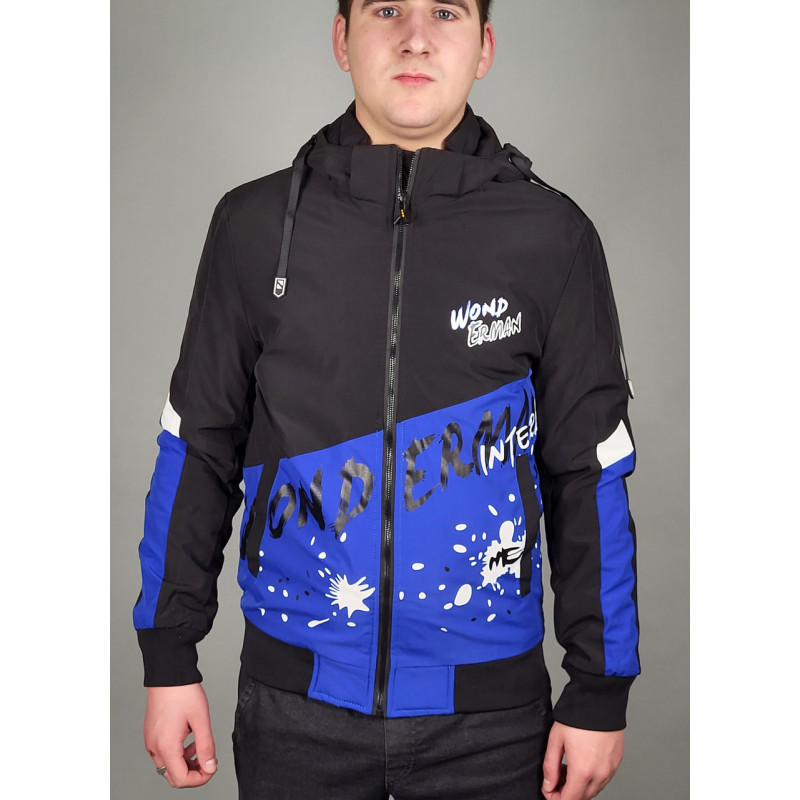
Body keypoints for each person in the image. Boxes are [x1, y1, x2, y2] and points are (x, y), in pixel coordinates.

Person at [133, 2, 640, 798]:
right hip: (295, 710)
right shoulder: (253, 226)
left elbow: (589, 471)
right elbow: (198, 446)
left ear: (484, 47)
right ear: (342, 38)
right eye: (386, 9)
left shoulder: (552, 235)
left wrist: (600, 688)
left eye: (446, 12)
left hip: (491, 723)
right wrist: (169, 658)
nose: (415, 38)